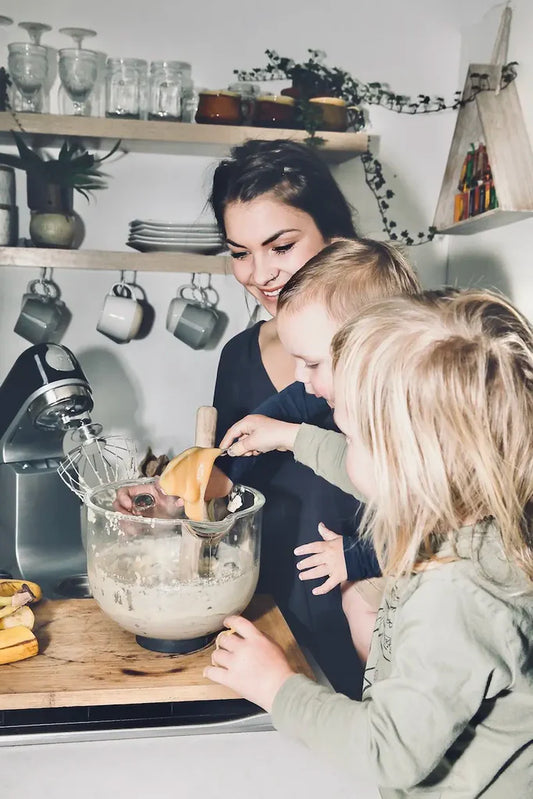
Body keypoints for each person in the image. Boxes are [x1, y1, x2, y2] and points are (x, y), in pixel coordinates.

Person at [206, 288, 533, 797]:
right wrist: (291, 437)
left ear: (409, 465)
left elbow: (388, 751)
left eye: (354, 435)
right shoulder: (464, 511)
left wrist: (278, 687)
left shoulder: (455, 596)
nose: (344, 440)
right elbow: (362, 473)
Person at [209, 139, 366, 696]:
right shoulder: (237, 356)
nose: (259, 274)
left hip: (366, 611)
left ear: (336, 236)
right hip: (272, 613)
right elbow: (232, 476)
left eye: (281, 246)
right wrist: (176, 492)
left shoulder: (400, 346)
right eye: (240, 252)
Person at [220, 237, 422, 662]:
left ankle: (384, 707)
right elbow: (297, 400)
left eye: (311, 363)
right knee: (358, 602)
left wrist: (357, 556)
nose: (300, 376)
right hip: (405, 563)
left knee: (364, 608)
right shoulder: (363, 389)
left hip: (424, 568)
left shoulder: (418, 424)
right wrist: (275, 429)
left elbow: (434, 530)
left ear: (373, 351)